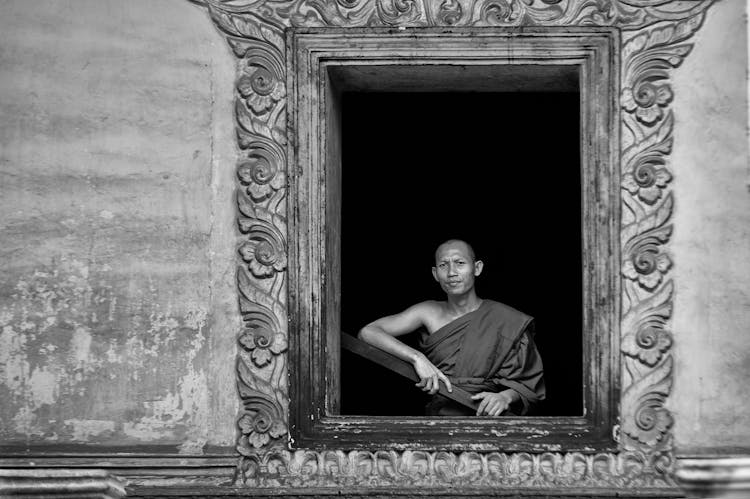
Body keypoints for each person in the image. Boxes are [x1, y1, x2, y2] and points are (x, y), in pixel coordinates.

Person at [358, 239, 545, 416]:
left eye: (460, 263)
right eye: (443, 265)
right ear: (435, 273)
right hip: (439, 419)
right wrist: (417, 358)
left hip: (489, 420)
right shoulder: (427, 311)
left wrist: (505, 397)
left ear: (477, 268)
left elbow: (529, 385)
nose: (451, 272)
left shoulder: (506, 319)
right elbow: (368, 332)